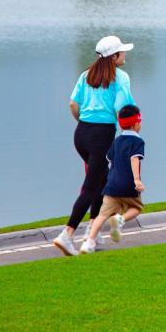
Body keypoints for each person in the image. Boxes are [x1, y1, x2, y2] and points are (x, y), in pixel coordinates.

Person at [53, 35, 136, 256]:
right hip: (102, 135)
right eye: (122, 51)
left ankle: (93, 230)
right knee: (91, 187)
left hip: (81, 134)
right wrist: (129, 136)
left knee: (101, 181)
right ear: (114, 56)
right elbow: (123, 108)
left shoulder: (86, 74)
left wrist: (83, 123)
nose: (125, 54)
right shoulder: (121, 77)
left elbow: (73, 104)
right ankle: (67, 234)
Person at [81, 104, 145, 254]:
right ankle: (120, 220)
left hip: (111, 186)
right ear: (136, 124)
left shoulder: (117, 141)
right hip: (129, 185)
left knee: (102, 215)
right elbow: (134, 159)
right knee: (136, 208)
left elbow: (109, 158)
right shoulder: (138, 142)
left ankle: (89, 243)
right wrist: (137, 180)